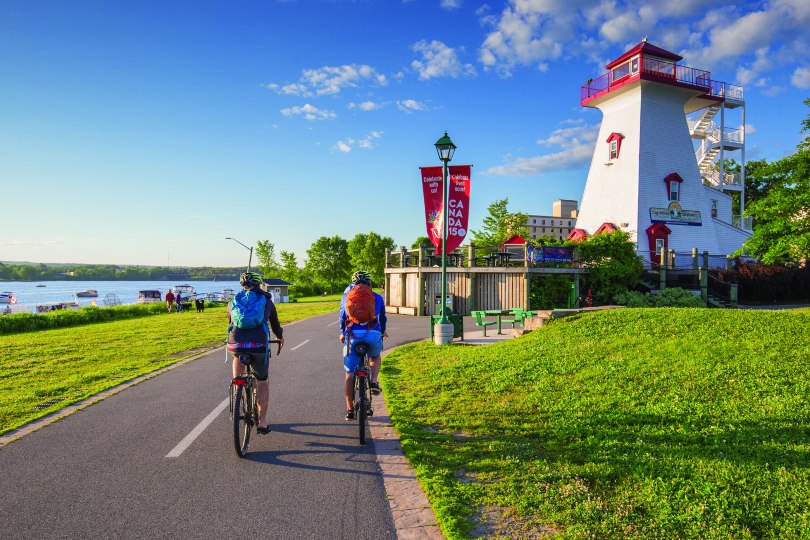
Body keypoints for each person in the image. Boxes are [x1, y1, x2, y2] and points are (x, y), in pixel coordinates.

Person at [227, 271, 284, 434]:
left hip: (235, 344)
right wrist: (280, 338)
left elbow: (230, 324)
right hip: (259, 345)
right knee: (262, 381)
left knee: (238, 357)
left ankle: (237, 388)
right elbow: (275, 324)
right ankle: (262, 422)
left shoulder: (233, 302)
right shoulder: (266, 300)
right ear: (260, 286)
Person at [339, 269, 388, 421]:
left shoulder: (347, 296)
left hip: (352, 336)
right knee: (375, 356)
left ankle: (349, 409)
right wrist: (383, 331)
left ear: (353, 283)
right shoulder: (377, 297)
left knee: (349, 374)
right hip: (372, 334)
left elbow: (342, 316)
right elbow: (382, 317)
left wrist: (342, 332)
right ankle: (373, 381)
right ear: (369, 283)